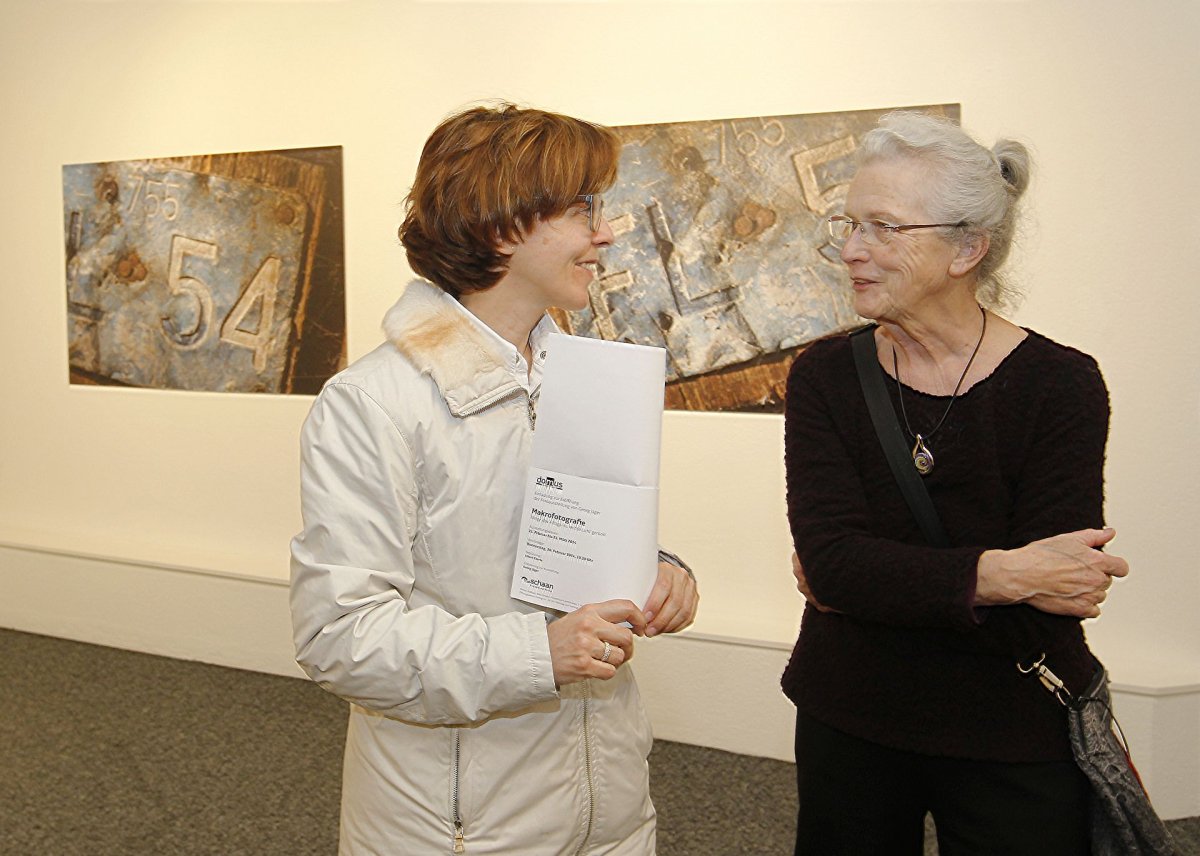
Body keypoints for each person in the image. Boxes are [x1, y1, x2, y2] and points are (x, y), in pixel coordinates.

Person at [289, 103, 698, 854]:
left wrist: (657, 569)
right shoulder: (375, 403)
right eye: (583, 209)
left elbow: (568, 539)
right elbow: (340, 635)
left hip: (607, 813)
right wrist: (539, 653)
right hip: (459, 832)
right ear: (504, 227)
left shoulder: (581, 374)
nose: (607, 232)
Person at [781, 111, 1129, 855]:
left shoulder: (1060, 384)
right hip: (852, 715)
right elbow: (835, 563)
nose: (851, 250)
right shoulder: (824, 375)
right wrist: (1002, 574)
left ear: (968, 248)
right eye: (849, 225)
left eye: (883, 227)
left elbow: (1055, 597)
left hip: (1010, 722)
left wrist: (876, 582)